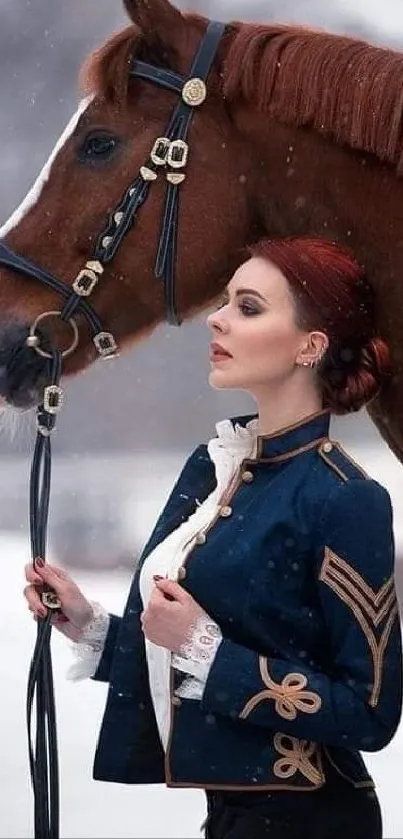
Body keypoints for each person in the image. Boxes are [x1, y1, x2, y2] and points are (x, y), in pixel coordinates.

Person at [24, 237, 403, 839]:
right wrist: (91, 627)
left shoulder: (344, 496)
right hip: (230, 819)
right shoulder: (215, 468)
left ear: (311, 345)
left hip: (315, 823)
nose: (218, 318)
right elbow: (235, 636)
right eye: (225, 301)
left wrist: (205, 649)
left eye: (249, 307)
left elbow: (370, 710)